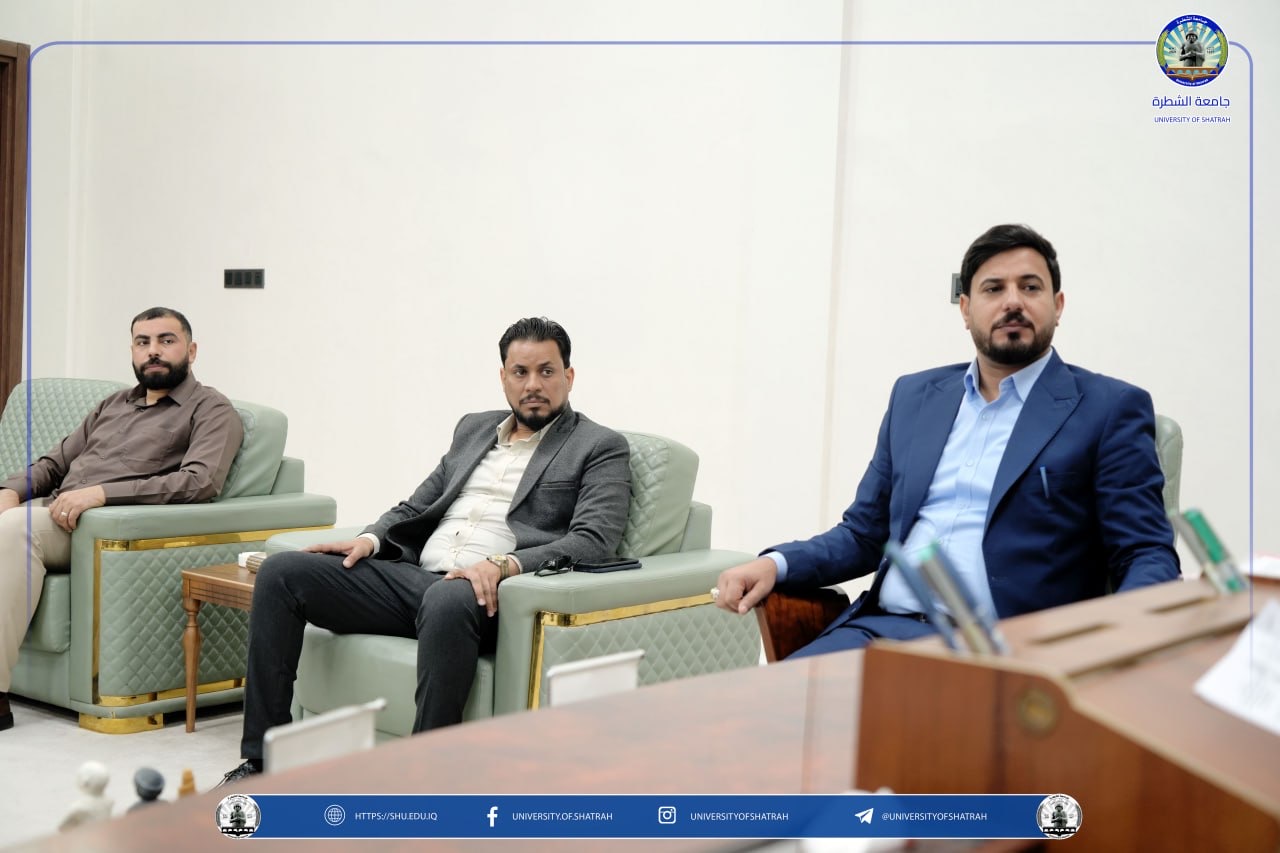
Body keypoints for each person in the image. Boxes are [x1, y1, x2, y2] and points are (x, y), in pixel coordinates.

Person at [713, 224, 1180, 656]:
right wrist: (776, 564)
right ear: (965, 309)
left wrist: (1115, 643)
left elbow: (1144, 552)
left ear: (1057, 305)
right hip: (880, 633)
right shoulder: (916, 397)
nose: (1012, 302)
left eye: (1030, 287)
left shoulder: (1108, 408)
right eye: (993, 289)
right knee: (760, 710)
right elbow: (863, 534)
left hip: (1007, 652)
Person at [220, 317, 632, 785]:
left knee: (446, 597)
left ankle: (424, 782)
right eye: (520, 372)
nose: (533, 384)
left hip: (490, 597)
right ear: (503, 377)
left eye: (547, 371)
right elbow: (418, 504)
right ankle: (261, 763)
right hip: (416, 580)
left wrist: (504, 565)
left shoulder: (598, 445)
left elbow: (594, 540)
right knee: (282, 573)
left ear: (569, 376)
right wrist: (370, 539)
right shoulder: (474, 429)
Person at [0, 306, 243, 733]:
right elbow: (55, 463)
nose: (153, 351)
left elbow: (199, 482)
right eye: (142, 342)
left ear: (191, 350)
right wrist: (11, 491)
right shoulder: (113, 404)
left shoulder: (211, 409)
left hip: (96, 529)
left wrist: (102, 494)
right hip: (55, 510)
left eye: (166, 341)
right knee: (11, 517)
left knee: (15, 529)